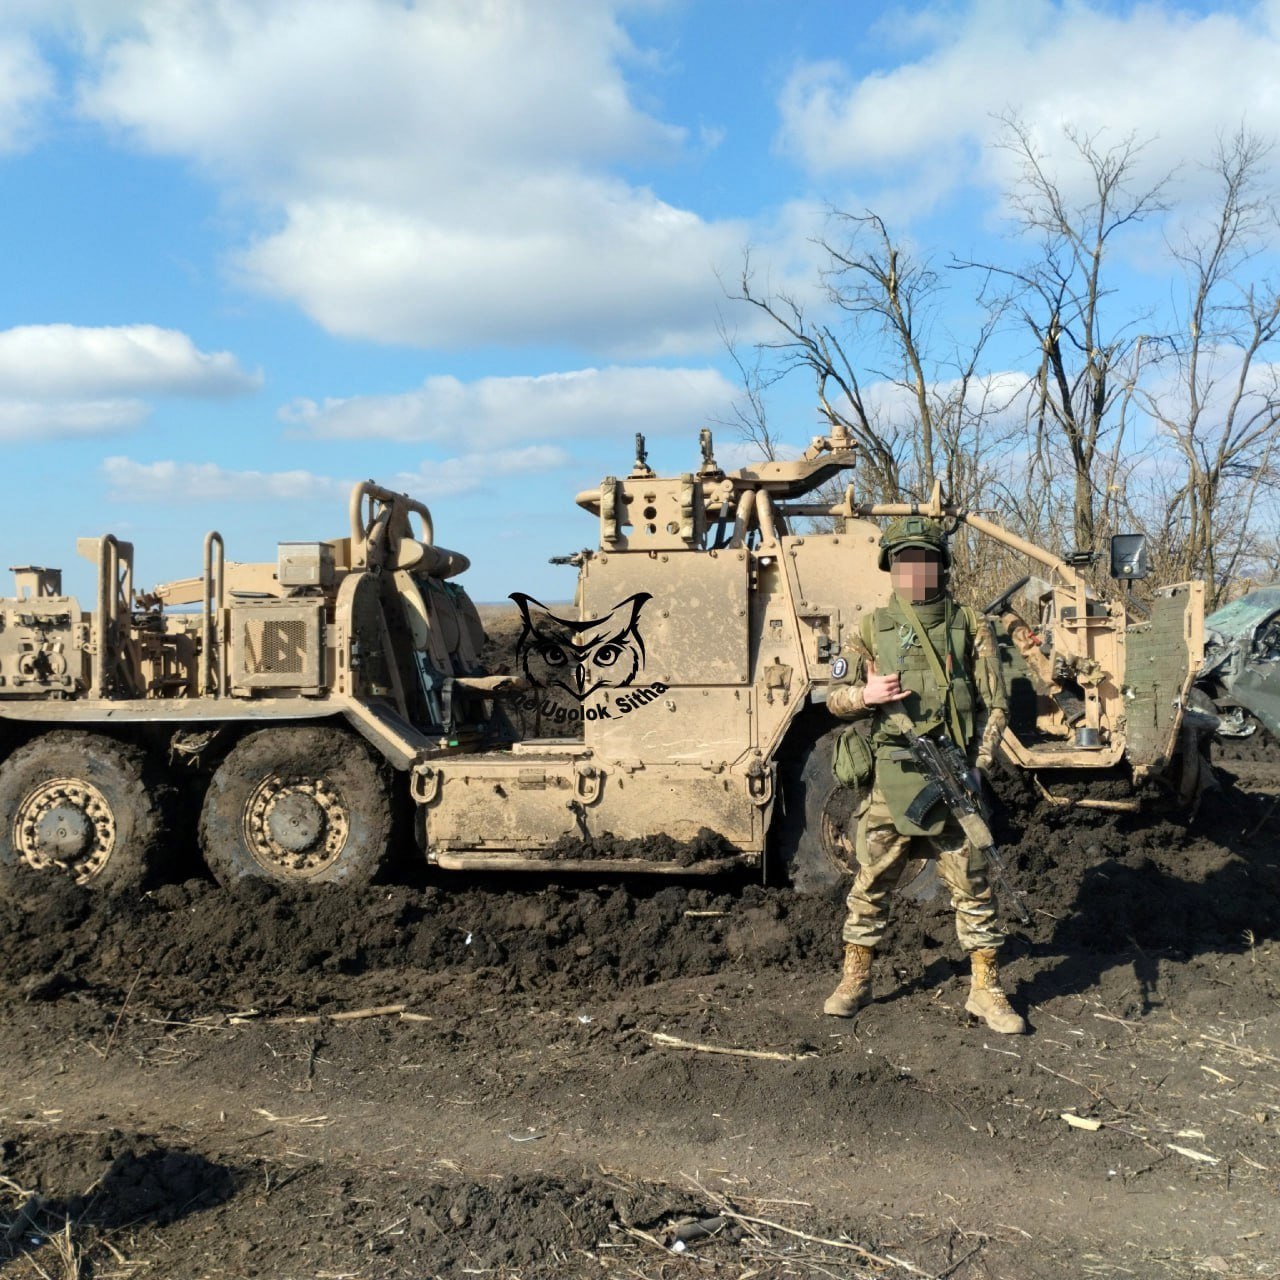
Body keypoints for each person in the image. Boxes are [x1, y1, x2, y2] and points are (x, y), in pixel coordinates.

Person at [823, 516, 1026, 1034]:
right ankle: (856, 978)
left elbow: (994, 706)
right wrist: (864, 697)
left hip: (954, 776)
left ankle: (986, 989)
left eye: (926, 560)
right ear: (890, 568)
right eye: (905, 561)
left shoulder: (969, 623)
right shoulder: (869, 629)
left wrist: (977, 768)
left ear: (941, 565)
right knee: (871, 882)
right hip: (892, 777)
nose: (916, 571)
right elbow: (833, 699)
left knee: (974, 886)